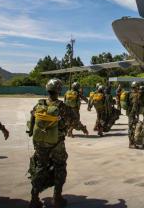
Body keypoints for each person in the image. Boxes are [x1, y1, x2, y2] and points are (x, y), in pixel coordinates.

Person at [28, 79, 83, 208]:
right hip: (57, 143)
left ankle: (34, 198)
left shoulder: (39, 105)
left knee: (40, 167)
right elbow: (75, 122)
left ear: (47, 89)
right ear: (59, 90)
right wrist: (83, 128)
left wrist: (32, 133)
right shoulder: (62, 107)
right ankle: (57, 198)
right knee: (60, 167)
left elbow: (31, 121)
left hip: (40, 143)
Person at [126, 81, 144, 149]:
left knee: (132, 128)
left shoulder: (129, 93)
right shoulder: (137, 94)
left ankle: (132, 143)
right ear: (137, 87)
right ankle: (131, 143)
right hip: (133, 114)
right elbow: (137, 105)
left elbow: (127, 104)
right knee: (132, 128)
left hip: (131, 113)